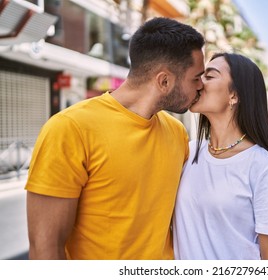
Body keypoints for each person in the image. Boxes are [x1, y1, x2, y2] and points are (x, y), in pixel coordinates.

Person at [25, 17, 205, 260]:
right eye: (196, 78)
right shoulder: (71, 129)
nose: (201, 87)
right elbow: (45, 248)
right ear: (164, 81)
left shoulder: (177, 133)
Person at [172, 53, 268, 260]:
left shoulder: (264, 168)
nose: (199, 83)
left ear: (234, 96)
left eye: (210, 76)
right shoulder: (187, 152)